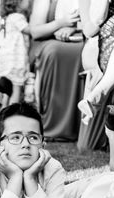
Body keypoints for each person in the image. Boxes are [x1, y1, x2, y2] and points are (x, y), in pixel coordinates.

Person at [29, 0, 83, 140]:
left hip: (83, 39)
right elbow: (35, 31)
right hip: (51, 40)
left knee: (85, 54)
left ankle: (81, 127)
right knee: (54, 52)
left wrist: (76, 28)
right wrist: (61, 23)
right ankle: (52, 125)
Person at [0, 0, 30, 105]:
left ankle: (4, 111)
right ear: (18, 3)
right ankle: (12, 114)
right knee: (16, 88)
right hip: (15, 59)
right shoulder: (18, 17)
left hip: (5, 57)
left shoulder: (7, 18)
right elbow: (28, 30)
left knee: (8, 91)